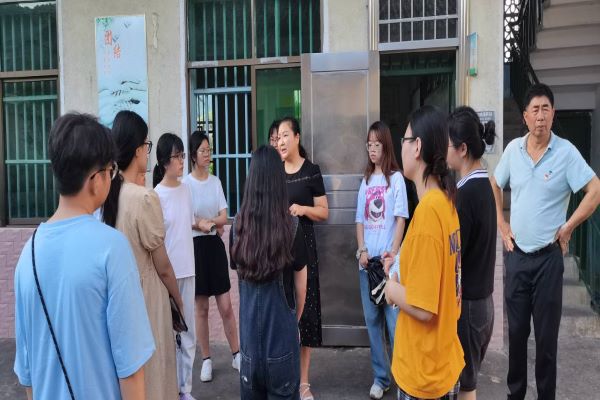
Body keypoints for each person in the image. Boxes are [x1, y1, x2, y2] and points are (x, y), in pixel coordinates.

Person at [13, 113, 155, 400]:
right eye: (110, 170)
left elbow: (28, 375)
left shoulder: (28, 255)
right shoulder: (112, 248)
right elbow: (130, 370)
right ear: (95, 180)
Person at [491, 83, 600, 400]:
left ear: (553, 114)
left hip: (548, 261)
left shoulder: (566, 153)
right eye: (535, 110)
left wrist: (568, 227)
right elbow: (494, 183)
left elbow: (595, 190)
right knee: (516, 334)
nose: (540, 116)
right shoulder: (513, 151)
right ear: (525, 116)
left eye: (546, 109)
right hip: (517, 257)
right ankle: (515, 395)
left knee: (547, 340)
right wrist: (501, 223)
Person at [383, 106, 464, 399]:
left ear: (417, 146)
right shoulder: (445, 202)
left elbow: (423, 307)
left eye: (404, 140)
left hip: (424, 371)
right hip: (441, 360)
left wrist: (391, 289)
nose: (401, 147)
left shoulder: (429, 211)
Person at [102, 110, 182, 400]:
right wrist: (178, 300)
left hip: (119, 297)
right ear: (137, 150)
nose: (147, 152)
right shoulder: (144, 198)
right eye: (147, 145)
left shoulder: (107, 193)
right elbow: (163, 267)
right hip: (147, 299)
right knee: (155, 373)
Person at [230, 145, 308, 400]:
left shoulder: (237, 228)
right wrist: (291, 323)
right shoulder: (292, 227)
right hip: (282, 347)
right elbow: (301, 290)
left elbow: (239, 284)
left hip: (249, 352)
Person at [355, 121, 409, 400]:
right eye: (369, 145)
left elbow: (401, 219)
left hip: (389, 268)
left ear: (386, 146)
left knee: (395, 324)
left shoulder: (395, 178)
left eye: (377, 144)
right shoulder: (365, 180)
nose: (372, 149)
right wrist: (362, 250)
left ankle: (404, 379)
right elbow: (359, 220)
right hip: (367, 266)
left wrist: (393, 254)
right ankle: (381, 377)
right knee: (372, 323)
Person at [447, 107, 497, 400]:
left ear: (462, 149)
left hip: (468, 307)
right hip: (483, 304)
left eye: (448, 144)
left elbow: (455, 256)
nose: (445, 150)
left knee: (465, 386)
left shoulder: (466, 195)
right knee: (468, 383)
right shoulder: (483, 185)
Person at [277, 116, 329, 400]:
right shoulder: (275, 172)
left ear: (297, 138)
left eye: (286, 135)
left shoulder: (311, 171)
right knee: (284, 312)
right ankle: (285, 376)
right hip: (279, 251)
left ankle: (304, 382)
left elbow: (324, 211)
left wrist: (302, 209)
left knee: (305, 315)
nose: (281, 141)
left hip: (305, 249)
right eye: (278, 137)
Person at [183, 131, 240, 382]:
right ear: (193, 155)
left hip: (215, 246)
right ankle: (206, 359)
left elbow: (224, 217)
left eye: (209, 150)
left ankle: (236, 354)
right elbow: (186, 218)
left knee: (226, 305)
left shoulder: (215, 182)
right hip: (196, 248)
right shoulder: (186, 185)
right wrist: (203, 224)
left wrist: (206, 222)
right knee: (201, 308)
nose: (208, 154)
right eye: (203, 151)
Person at [153, 133, 197, 400]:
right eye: (177, 156)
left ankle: (186, 390)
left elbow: (188, 225)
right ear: (163, 162)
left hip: (188, 269)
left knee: (188, 333)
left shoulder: (186, 190)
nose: (182, 161)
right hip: (165, 275)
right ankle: (168, 388)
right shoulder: (155, 196)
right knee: (167, 335)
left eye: (182, 155)